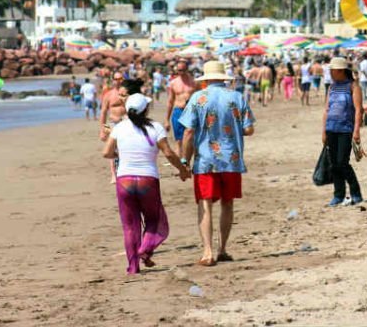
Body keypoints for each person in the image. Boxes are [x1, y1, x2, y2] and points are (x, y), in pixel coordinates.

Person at [102, 94, 190, 274]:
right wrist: (183, 170)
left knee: (130, 226)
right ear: (146, 110)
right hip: (147, 180)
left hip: (124, 180)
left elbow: (106, 152)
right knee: (155, 219)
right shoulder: (155, 127)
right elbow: (169, 153)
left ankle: (133, 267)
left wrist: (122, 156)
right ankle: (144, 250)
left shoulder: (119, 128)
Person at [180, 61, 255, 266]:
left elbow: (188, 131)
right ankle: (222, 249)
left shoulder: (198, 98)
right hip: (231, 159)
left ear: (206, 79)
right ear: (224, 78)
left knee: (205, 203)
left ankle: (208, 252)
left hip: (206, 160)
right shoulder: (236, 97)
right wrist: (231, 128)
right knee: (227, 203)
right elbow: (249, 129)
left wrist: (184, 160)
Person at [321, 57, 363, 206]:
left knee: (342, 163)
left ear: (340, 71)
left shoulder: (353, 87)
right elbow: (327, 110)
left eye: (332, 70)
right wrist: (323, 131)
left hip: (346, 129)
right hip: (331, 128)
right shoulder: (331, 87)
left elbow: (358, 110)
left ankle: (355, 192)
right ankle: (338, 194)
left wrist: (356, 130)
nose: (330, 73)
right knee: (333, 164)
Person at [100, 72, 128, 183]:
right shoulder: (108, 94)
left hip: (126, 122)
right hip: (113, 123)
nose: (118, 81)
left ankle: (124, 170)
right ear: (113, 80)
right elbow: (103, 112)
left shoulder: (127, 93)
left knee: (125, 147)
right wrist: (102, 130)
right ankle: (113, 175)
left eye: (120, 78)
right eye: (116, 79)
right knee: (112, 149)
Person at [165, 61, 197, 157]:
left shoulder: (194, 82)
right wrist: (167, 120)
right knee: (179, 141)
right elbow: (170, 101)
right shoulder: (173, 83)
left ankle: (190, 164)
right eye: (179, 70)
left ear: (187, 69)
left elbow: (201, 98)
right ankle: (181, 168)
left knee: (192, 138)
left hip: (191, 111)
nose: (181, 72)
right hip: (178, 111)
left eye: (183, 70)